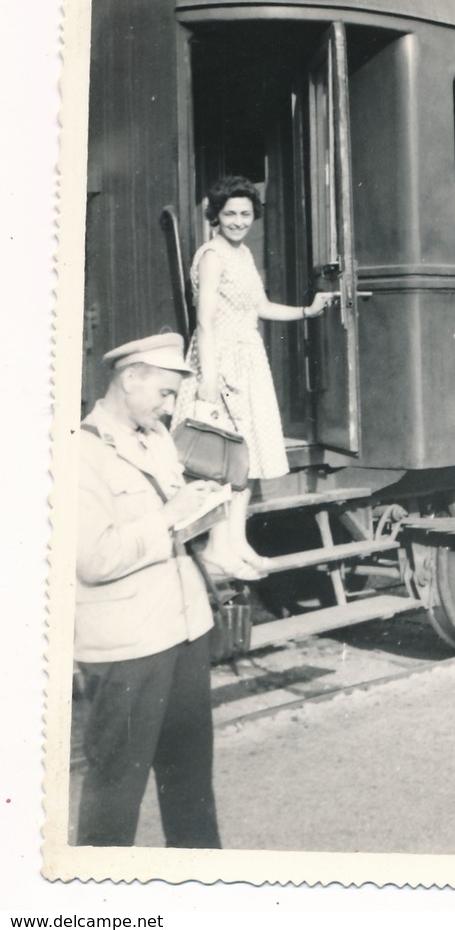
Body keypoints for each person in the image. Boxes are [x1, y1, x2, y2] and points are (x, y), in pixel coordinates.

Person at [76, 332, 224, 847]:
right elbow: (92, 559)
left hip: (184, 631)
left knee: (191, 787)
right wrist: (167, 518)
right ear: (129, 377)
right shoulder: (80, 454)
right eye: (163, 393)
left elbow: (174, 524)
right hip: (128, 646)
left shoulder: (156, 438)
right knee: (116, 793)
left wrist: (201, 511)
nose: (169, 407)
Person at [172, 176, 334, 573]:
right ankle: (216, 548)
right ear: (216, 215)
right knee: (221, 460)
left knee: (244, 459)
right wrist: (209, 380)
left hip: (249, 360)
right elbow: (205, 322)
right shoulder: (212, 255)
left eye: (246, 214)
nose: (239, 221)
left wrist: (306, 312)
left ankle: (238, 543)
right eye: (230, 214)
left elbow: (259, 306)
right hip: (220, 360)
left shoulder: (242, 255)